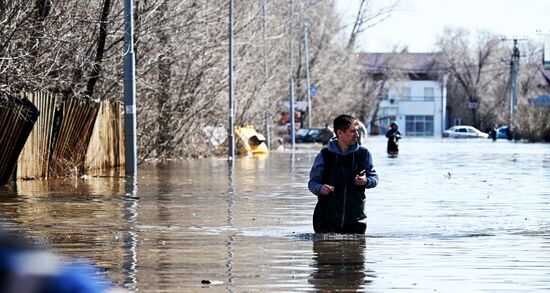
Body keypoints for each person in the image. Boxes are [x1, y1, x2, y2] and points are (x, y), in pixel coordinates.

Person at [308, 114, 379, 234]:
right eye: (352, 131)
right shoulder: (324, 156)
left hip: (356, 221)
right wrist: (320, 188)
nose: (357, 135)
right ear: (340, 133)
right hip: (326, 221)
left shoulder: (364, 154)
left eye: (357, 131)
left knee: (356, 251)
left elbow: (374, 178)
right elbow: (312, 183)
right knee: (325, 251)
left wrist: (366, 181)